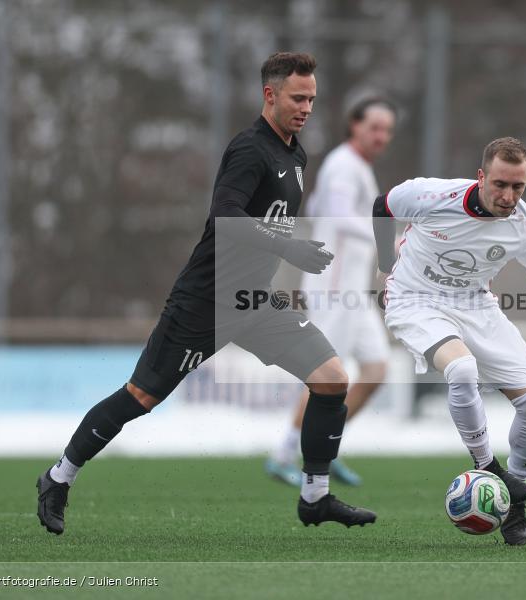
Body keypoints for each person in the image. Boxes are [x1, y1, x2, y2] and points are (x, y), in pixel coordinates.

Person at [36, 52, 376, 535]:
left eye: (313, 99)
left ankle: (315, 497)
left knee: (331, 380)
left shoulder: (295, 154)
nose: (306, 107)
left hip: (255, 301)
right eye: (298, 98)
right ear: (270, 95)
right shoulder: (250, 150)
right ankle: (57, 477)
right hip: (206, 300)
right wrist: (292, 249)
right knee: (141, 396)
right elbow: (226, 216)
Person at [373, 137, 526, 545]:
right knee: (461, 367)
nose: (508, 196)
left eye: (518, 187)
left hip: (476, 305)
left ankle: (515, 501)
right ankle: (489, 468)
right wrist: (386, 270)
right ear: (481, 177)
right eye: (500, 184)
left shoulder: (524, 226)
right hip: (414, 300)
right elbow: (382, 207)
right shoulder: (432, 195)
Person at [266, 98, 397, 487]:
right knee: (324, 375)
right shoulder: (343, 164)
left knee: (375, 370)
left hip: (353, 294)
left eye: (387, 130)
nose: (381, 136)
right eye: (374, 127)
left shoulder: (357, 169)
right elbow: (338, 217)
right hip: (334, 290)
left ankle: (325, 446)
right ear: (354, 125)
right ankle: (283, 454)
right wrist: (387, 236)